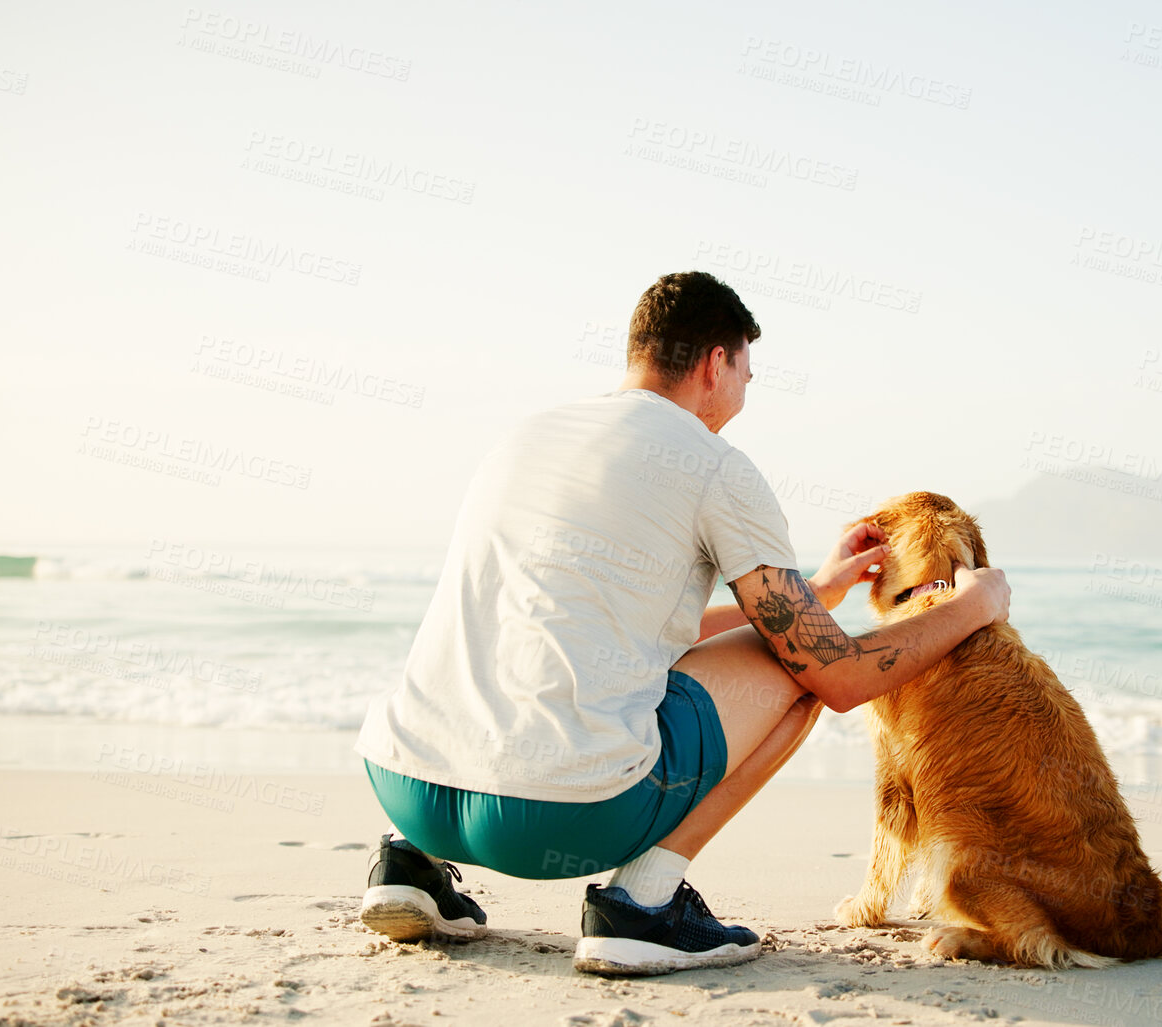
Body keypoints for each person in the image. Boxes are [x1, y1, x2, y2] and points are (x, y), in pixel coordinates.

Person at [353, 270, 1010, 976]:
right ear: (715, 362)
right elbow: (839, 673)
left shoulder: (528, 436)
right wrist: (973, 604)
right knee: (799, 673)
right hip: (554, 818)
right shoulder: (713, 465)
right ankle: (642, 905)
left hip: (403, 781)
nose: (742, 398)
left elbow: (619, 620)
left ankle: (408, 866)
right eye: (747, 377)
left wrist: (815, 589)